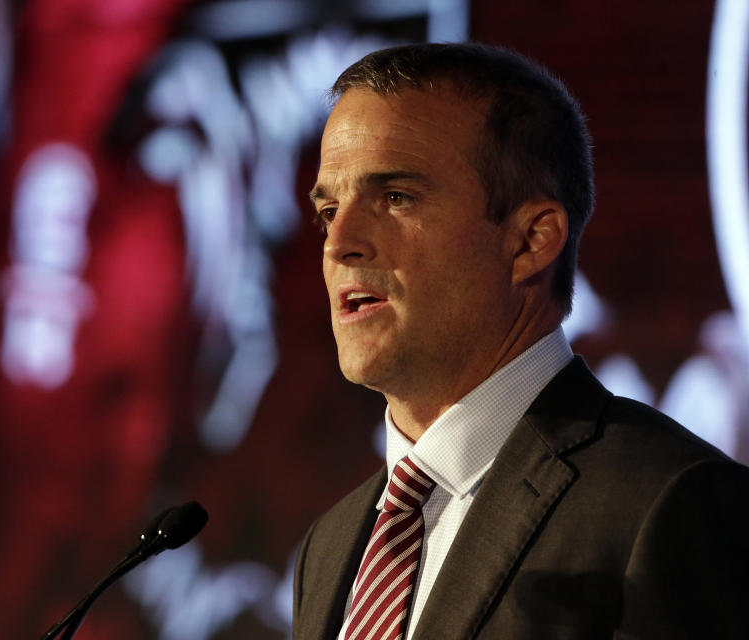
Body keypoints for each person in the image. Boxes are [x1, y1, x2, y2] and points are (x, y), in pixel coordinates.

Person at [293, 42, 749, 640]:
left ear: (532, 241)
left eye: (395, 198)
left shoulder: (671, 504)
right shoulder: (327, 548)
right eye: (329, 210)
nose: (339, 243)